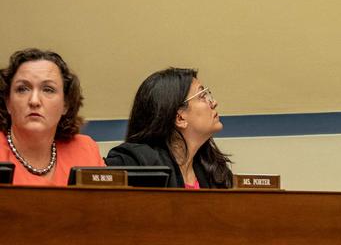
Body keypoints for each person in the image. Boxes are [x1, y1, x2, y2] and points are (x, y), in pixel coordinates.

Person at [106, 67, 232, 188]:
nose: (214, 102)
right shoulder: (135, 162)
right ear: (180, 118)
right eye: (202, 96)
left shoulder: (214, 169)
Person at [0, 48, 103, 185]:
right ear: (8, 102)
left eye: (48, 89)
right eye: (23, 89)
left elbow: (107, 203)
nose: (34, 101)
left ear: (65, 104)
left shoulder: (85, 150)